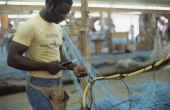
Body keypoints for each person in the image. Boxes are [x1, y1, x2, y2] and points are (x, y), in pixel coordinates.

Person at [7, 0, 88, 110]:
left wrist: (74, 67)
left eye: (66, 13)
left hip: (57, 84)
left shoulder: (58, 28)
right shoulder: (29, 26)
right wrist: (47, 66)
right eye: (61, 12)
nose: (64, 17)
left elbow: (58, 56)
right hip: (38, 86)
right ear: (50, 4)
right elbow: (12, 59)